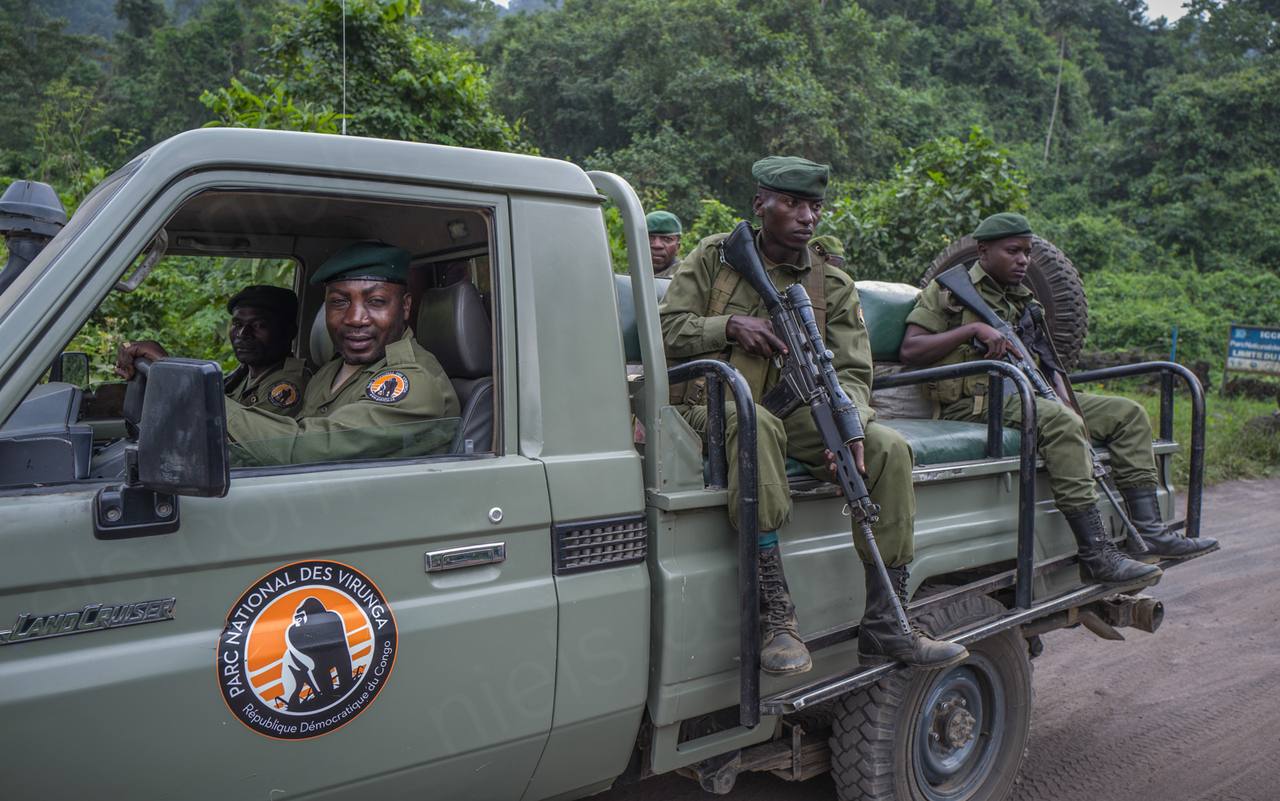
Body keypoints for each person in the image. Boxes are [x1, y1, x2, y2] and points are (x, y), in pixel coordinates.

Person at [659, 156, 967, 675]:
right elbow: (668, 329)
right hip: (707, 406)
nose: (807, 217)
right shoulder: (715, 257)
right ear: (760, 205)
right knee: (756, 424)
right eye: (792, 203)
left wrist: (847, 424)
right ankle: (776, 617)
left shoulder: (833, 283)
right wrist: (730, 327)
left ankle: (888, 621)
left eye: (814, 207)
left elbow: (851, 368)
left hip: (796, 412)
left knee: (887, 448)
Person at [898, 212, 1216, 584]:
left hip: (1029, 395)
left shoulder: (1023, 300)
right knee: (1061, 421)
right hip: (977, 404)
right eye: (1012, 251)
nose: (1023, 261)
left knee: (1126, 413)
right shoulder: (948, 291)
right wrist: (973, 329)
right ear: (983, 251)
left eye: (1028, 253)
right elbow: (911, 350)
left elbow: (1049, 363)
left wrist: (1065, 399)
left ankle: (1150, 532)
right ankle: (1097, 554)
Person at [118, 241, 460, 465]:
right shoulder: (331, 371)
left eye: (376, 302)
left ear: (404, 308)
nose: (356, 318)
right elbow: (267, 445)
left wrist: (183, 382)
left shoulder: (413, 384)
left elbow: (301, 449)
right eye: (340, 302)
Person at [222, 285, 310, 417]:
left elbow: (246, 433)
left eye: (258, 325)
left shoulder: (288, 385)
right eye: (237, 324)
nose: (243, 333)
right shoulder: (243, 374)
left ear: (289, 332)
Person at [646, 210, 683, 278]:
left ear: (678, 247)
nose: (657, 245)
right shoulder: (632, 276)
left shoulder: (686, 277)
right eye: (649, 238)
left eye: (667, 239)